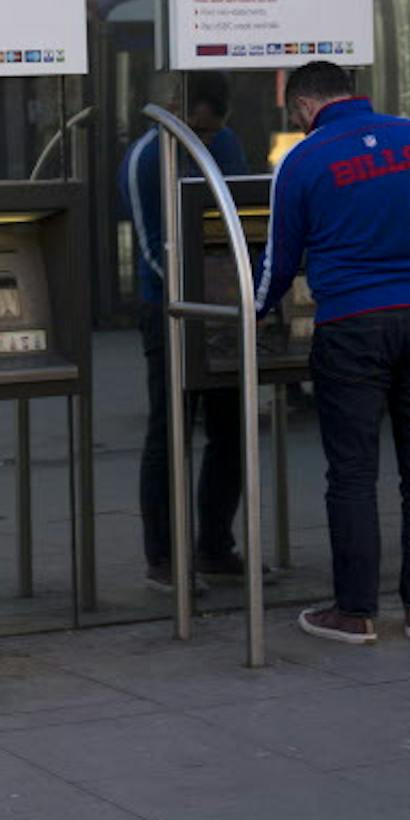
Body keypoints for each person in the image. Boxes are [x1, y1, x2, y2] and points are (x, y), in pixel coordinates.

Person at [255, 62, 410, 646]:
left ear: (302, 108)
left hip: (351, 325)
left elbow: (280, 261)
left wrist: (247, 311)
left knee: (352, 472)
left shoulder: (302, 160)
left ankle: (355, 612)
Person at [120, 73, 249, 592]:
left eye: (214, 134)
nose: (208, 142)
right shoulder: (148, 159)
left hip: (222, 303)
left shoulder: (229, 143)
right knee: (169, 432)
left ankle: (215, 545)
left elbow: (242, 216)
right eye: (198, 131)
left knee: (230, 431)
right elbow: (149, 246)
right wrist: (187, 300)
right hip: (168, 306)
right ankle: (163, 556)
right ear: (175, 110)